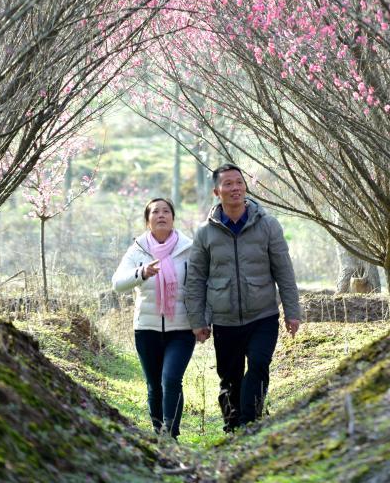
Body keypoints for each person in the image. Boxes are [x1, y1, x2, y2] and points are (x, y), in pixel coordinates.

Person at [185, 164, 302, 432]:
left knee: (260, 364)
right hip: (225, 318)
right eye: (228, 184)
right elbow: (195, 279)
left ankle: (250, 423)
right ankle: (232, 426)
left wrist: (292, 311)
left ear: (245, 187)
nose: (235, 188)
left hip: (263, 314)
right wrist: (198, 319)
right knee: (229, 376)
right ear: (217, 191)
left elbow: (284, 271)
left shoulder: (268, 225)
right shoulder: (205, 233)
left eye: (239, 182)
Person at [112, 197, 195, 439]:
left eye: (166, 211)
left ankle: (171, 435)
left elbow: (200, 286)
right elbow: (117, 283)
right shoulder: (138, 250)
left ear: (173, 218)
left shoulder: (189, 249)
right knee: (154, 386)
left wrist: (202, 321)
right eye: (155, 212)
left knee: (170, 379)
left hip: (181, 328)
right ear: (148, 221)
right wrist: (142, 273)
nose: (161, 215)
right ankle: (158, 433)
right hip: (146, 329)